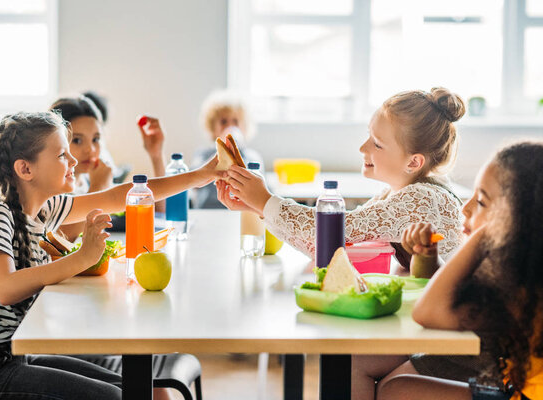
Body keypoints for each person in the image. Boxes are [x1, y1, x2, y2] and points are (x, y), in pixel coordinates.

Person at [0, 111, 219, 400]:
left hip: (11, 358)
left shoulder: (44, 208)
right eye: (62, 155)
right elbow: (6, 287)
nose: (73, 161)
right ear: (26, 169)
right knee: (114, 397)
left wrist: (201, 176)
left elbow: (121, 196)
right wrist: (81, 258)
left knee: (134, 390)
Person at [362, 141, 543, 400]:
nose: (465, 209)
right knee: (371, 368)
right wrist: (426, 258)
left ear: (517, 222)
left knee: (397, 391)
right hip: (512, 385)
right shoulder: (510, 270)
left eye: (481, 201)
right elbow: (448, 296)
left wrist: (486, 233)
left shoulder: (520, 293)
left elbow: (429, 312)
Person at [217, 87, 465, 265]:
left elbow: (337, 231)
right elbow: (329, 246)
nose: (363, 148)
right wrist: (259, 205)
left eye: (377, 144)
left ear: (414, 162)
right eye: (368, 135)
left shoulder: (420, 200)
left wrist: (264, 200)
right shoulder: (393, 194)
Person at [50, 95, 167, 240]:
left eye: (96, 139)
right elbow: (62, 240)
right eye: (77, 140)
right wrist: (99, 186)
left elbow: (158, 213)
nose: (90, 149)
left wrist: (156, 156)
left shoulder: (87, 179)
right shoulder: (52, 188)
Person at [192, 90, 263, 209]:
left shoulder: (252, 157)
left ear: (244, 127)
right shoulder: (204, 154)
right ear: (213, 128)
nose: (230, 126)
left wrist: (237, 150)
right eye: (224, 122)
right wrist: (222, 151)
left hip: (240, 214)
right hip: (208, 211)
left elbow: (261, 190)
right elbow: (194, 179)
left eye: (235, 121)